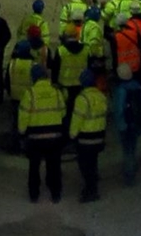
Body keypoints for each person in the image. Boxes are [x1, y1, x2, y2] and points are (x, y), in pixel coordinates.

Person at [19, 60, 68, 204]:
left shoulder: (29, 94)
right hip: (55, 136)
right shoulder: (56, 92)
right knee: (54, 165)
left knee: (34, 166)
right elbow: (63, 113)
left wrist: (22, 133)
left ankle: (34, 194)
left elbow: (23, 117)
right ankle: (55, 193)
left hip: (35, 138)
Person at [69, 68, 108, 202]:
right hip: (99, 136)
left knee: (85, 165)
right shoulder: (101, 96)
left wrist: (72, 135)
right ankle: (93, 183)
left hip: (86, 138)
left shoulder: (82, 99)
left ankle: (91, 190)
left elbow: (77, 119)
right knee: (93, 162)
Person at [113, 60, 141, 186]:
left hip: (125, 125)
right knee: (133, 147)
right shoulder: (138, 86)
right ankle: (133, 165)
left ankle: (129, 175)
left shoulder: (121, 90)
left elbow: (119, 110)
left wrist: (119, 125)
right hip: (136, 122)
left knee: (127, 150)